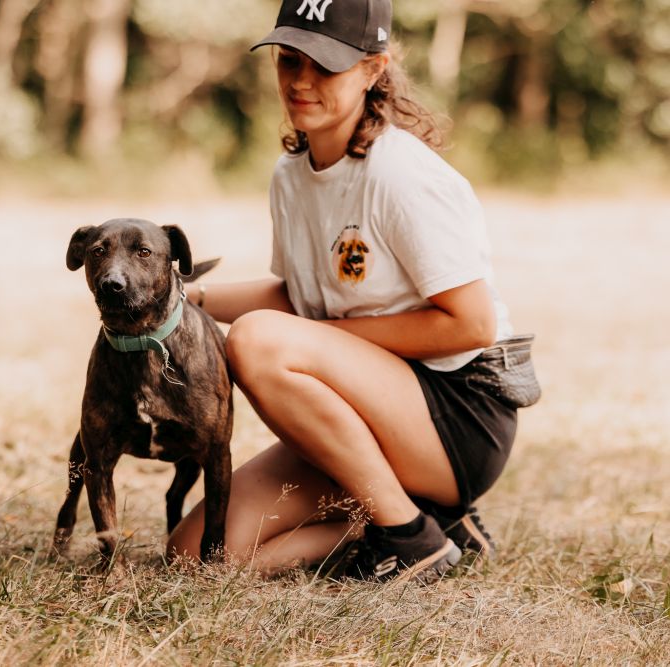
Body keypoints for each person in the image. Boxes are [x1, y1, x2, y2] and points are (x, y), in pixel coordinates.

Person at [166, 0, 535, 583]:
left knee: (259, 341)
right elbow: (299, 297)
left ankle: (408, 537)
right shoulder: (291, 175)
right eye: (290, 59)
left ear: (372, 70)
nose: (301, 81)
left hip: (458, 414)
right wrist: (179, 299)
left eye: (326, 64)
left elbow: (472, 324)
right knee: (194, 556)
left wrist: (316, 339)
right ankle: (428, 522)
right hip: (363, 411)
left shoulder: (400, 175)